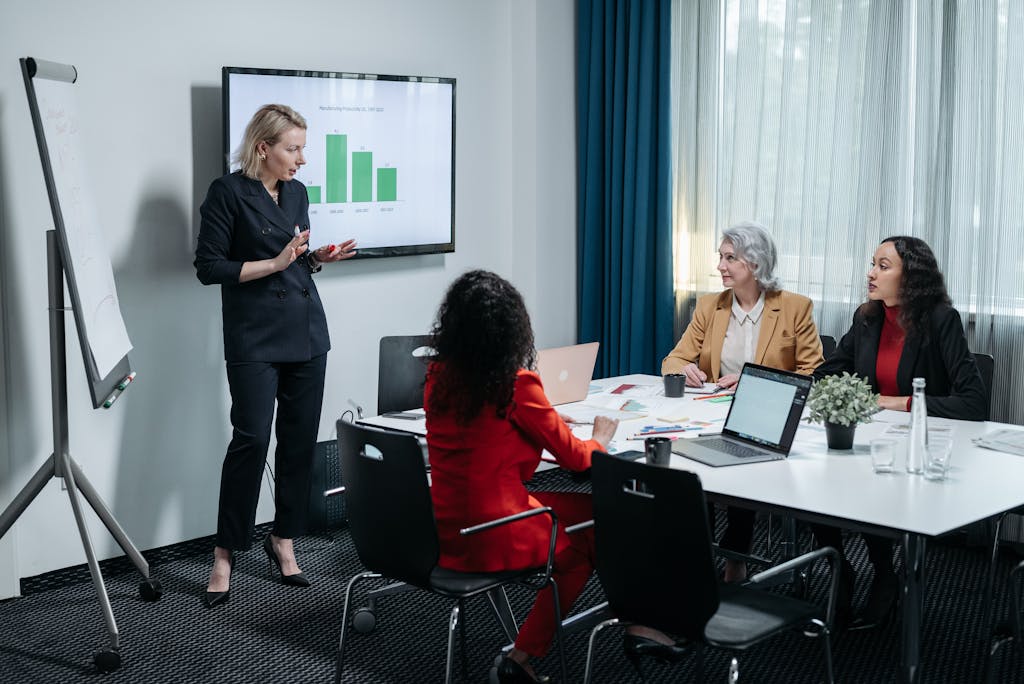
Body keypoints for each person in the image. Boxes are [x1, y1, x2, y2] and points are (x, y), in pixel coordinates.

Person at [425, 271, 680, 683]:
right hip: (495, 528)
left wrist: (535, 423)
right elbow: (578, 460)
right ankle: (530, 653)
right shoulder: (516, 384)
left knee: (598, 513)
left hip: (447, 525)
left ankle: (634, 622)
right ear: (512, 328)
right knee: (596, 531)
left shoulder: (439, 377)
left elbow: (484, 435)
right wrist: (598, 438)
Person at [194, 104, 357, 608]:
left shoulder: (298, 193)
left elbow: (295, 260)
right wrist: (278, 261)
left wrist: (315, 259)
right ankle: (226, 551)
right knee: (251, 440)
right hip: (254, 337)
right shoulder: (227, 192)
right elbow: (208, 268)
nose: (302, 159)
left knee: (299, 442)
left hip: (306, 333)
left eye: (303, 148)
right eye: (294, 148)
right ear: (263, 148)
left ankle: (282, 540)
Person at [811, 235, 987, 630]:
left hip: (922, 443)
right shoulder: (867, 317)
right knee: (818, 474)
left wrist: (900, 402)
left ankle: (885, 573)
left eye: (883, 266)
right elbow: (830, 371)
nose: (871, 273)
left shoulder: (941, 319)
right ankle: (837, 564)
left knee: (870, 480)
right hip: (874, 437)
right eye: (872, 264)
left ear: (912, 277)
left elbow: (973, 403)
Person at [662, 222, 824, 582]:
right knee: (693, 469)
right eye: (720, 257)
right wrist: (686, 369)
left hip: (762, 420)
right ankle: (700, 551)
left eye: (730, 258)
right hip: (710, 417)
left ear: (755, 262)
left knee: (742, 461)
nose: (720, 265)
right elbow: (672, 360)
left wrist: (753, 382)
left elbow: (811, 373)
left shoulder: (795, 307)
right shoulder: (709, 307)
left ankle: (736, 554)